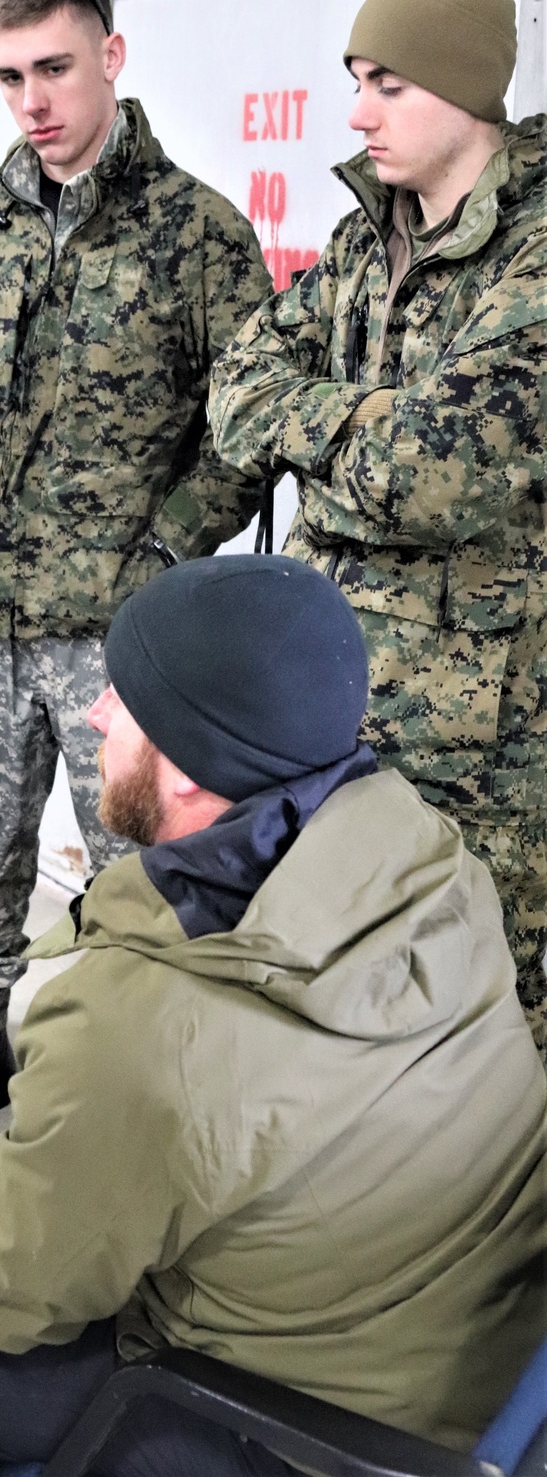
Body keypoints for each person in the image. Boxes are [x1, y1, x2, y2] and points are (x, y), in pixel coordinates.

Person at [0, 555, 547, 1477]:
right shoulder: (431, 862)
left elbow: (7, 1284)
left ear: (184, 772)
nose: (97, 714)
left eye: (124, 699)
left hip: (306, 1435)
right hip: (481, 1371)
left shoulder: (142, 1024)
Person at [0, 0, 272, 1140]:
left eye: (53, 68)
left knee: (137, 870)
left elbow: (245, 424)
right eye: (8, 77)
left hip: (117, 638)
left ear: (111, 56)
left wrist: (164, 549)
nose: (32, 103)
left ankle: (139, 1074)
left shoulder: (194, 233)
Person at [207, 0, 547, 1058]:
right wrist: (361, 426)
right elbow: (233, 393)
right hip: (332, 705)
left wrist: (318, 432)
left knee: (486, 1032)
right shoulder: (365, 242)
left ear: (467, 88)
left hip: (481, 745)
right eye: (356, 80)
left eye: (386, 84)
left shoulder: (532, 258)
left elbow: (437, 473)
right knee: (345, 1017)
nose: (356, 113)